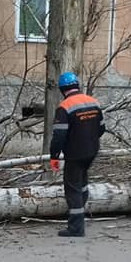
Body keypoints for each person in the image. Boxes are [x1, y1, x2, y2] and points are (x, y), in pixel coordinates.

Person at [49, 72, 105, 237]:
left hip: (74, 154)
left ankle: (76, 228)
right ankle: (79, 216)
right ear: (77, 85)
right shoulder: (93, 102)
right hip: (92, 151)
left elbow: (59, 136)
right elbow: (102, 128)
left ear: (62, 89)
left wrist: (54, 156)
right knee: (82, 184)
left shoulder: (64, 107)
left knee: (72, 189)